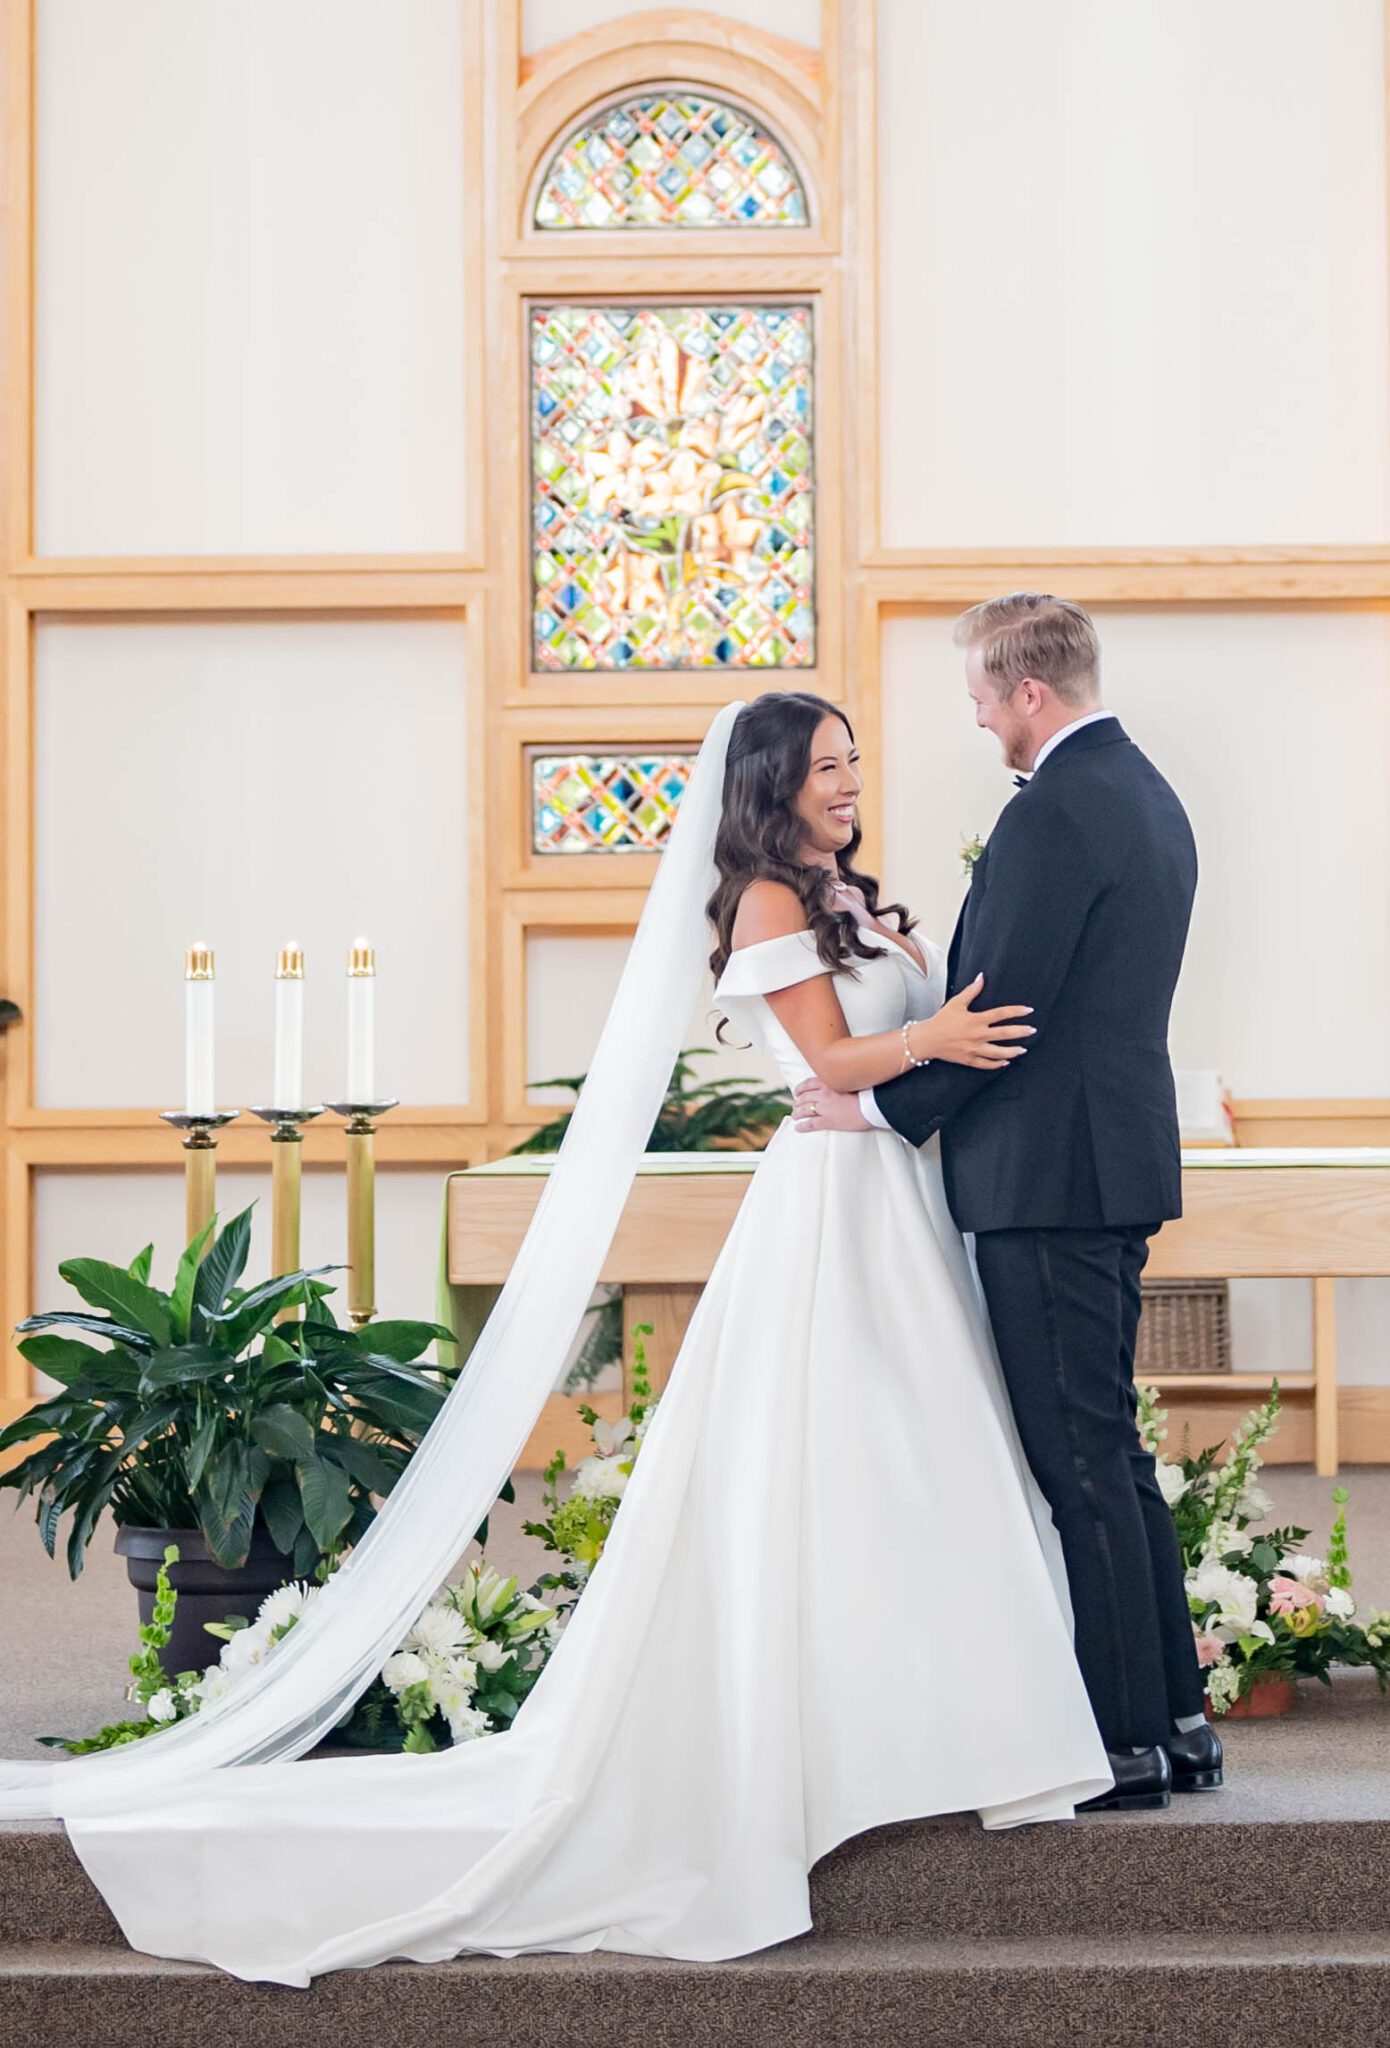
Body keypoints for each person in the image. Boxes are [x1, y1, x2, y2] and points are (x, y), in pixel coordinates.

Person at [0, 690, 1110, 1985]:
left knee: (917, 1457)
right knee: (843, 1452)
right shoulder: (760, 899)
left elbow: (868, 1061)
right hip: (829, 1209)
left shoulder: (847, 894)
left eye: (852, 759)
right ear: (770, 784)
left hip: (894, 1198)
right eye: (823, 766)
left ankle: (934, 1728)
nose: (848, 780)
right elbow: (824, 1058)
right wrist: (935, 1037)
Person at [794, 594, 1221, 1811]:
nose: (976, 717)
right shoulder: (1141, 788)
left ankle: (1125, 1739)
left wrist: (875, 1112)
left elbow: (1001, 1016)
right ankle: (1178, 1721)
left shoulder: (1057, 810)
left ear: (1027, 691)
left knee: (1076, 1455)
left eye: (981, 696)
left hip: (1049, 1176)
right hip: (1099, 1161)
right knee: (1110, 1450)